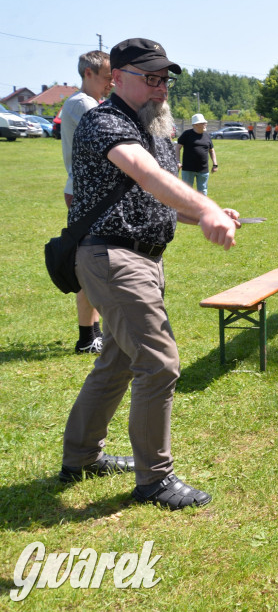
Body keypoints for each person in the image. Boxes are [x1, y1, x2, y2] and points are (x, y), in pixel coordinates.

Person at [59, 37, 240, 511]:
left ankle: (80, 456)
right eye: (150, 78)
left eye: (165, 79)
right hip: (113, 258)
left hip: (142, 258)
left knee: (118, 361)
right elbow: (144, 174)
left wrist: (206, 210)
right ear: (117, 78)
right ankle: (155, 480)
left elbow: (157, 196)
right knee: (159, 363)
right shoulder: (104, 122)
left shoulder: (155, 127)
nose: (161, 89)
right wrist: (203, 206)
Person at [61, 50, 113, 354]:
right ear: (88, 74)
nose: (110, 83)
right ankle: (87, 336)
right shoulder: (82, 104)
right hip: (83, 192)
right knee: (92, 264)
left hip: (83, 190)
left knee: (93, 262)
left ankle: (93, 333)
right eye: (107, 77)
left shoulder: (89, 103)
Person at [176, 113, 218, 195]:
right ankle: (186, 207)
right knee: (186, 191)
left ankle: (202, 208)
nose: (205, 124)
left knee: (203, 191)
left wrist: (215, 164)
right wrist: (178, 161)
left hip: (203, 170)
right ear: (196, 125)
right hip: (188, 169)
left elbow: (212, 151)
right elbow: (178, 148)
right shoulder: (186, 134)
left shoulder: (207, 136)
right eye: (203, 123)